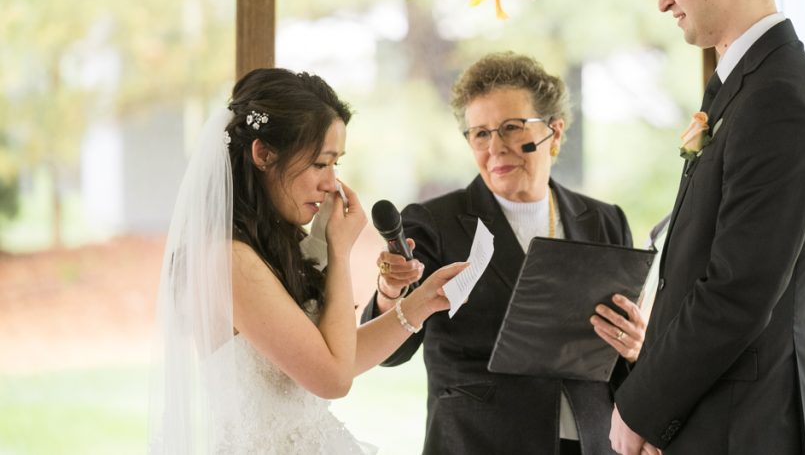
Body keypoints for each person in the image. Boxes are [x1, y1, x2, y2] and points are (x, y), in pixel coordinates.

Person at [609, 0, 805, 455]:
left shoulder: (780, 101)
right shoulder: (756, 85)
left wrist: (639, 409)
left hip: (747, 426)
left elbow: (737, 293)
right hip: (722, 418)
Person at [148, 68, 467, 454]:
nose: (331, 183)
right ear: (263, 153)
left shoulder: (269, 248)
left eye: (336, 164)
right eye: (320, 163)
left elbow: (337, 356)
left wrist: (423, 301)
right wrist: (338, 252)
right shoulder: (227, 260)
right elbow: (333, 378)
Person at [362, 52, 645, 455]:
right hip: (478, 441)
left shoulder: (605, 220)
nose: (494, 147)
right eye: (479, 133)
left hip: (592, 441)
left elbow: (619, 353)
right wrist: (390, 292)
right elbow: (392, 352)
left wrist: (635, 348)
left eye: (511, 128)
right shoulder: (434, 221)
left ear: (555, 132)